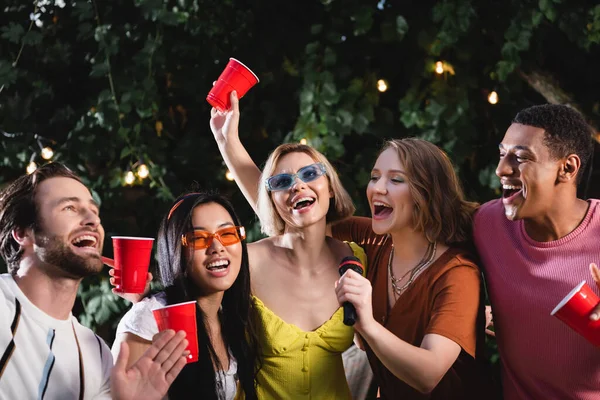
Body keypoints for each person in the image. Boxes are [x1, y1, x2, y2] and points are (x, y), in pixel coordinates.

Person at [210, 92, 367, 399]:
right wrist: (226, 139)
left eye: (310, 174)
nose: (297, 185)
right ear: (270, 200)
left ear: (330, 188)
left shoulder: (356, 260)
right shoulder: (246, 260)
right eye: (281, 183)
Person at [0, 162, 188, 400]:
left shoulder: (97, 354)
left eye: (94, 211)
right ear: (23, 233)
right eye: (69, 208)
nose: (93, 220)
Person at [473, 104, 600, 399]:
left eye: (519, 157)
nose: (501, 169)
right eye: (502, 154)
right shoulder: (486, 224)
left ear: (567, 168)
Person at [111, 192, 260, 400]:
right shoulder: (149, 319)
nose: (217, 248)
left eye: (227, 234)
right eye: (198, 239)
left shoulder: (232, 316)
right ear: (175, 250)